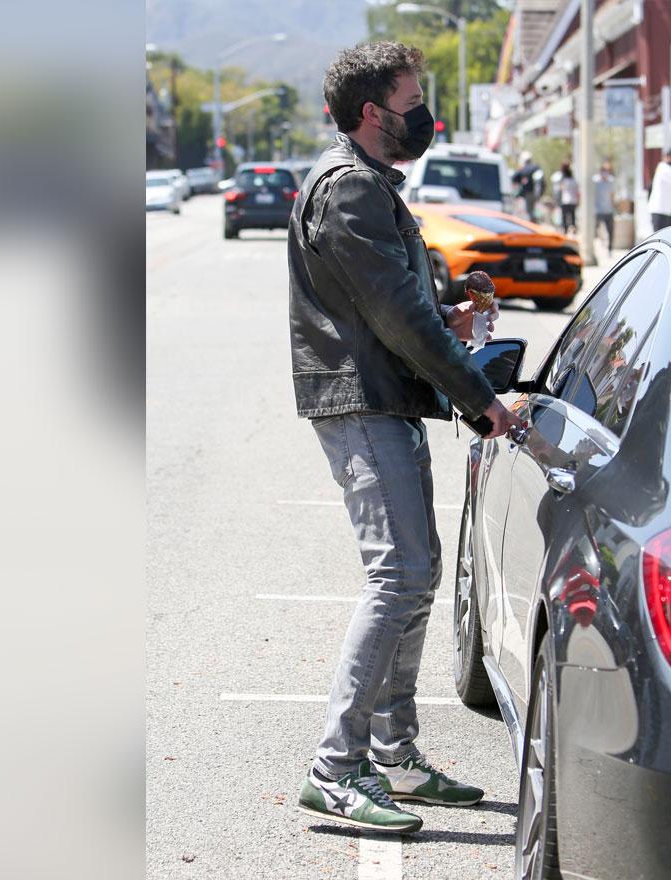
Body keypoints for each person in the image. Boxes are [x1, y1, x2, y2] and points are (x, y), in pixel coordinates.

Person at [287, 42, 527, 835]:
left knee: (415, 576)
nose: (424, 116)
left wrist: (450, 319)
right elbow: (394, 317)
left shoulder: (370, 190)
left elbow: (391, 303)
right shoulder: (351, 190)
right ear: (371, 112)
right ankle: (337, 767)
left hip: (385, 396)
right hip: (362, 403)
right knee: (400, 576)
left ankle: (395, 755)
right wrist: (481, 398)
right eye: (412, 101)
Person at [647, 148, 671, 232]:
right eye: (669, 156)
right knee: (659, 235)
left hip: (667, 210)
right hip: (659, 209)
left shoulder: (669, 169)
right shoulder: (663, 167)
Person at [593, 159, 617, 254]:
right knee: (595, 231)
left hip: (608, 210)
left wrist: (613, 206)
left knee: (610, 231)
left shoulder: (611, 181)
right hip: (597, 210)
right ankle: (597, 247)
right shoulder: (595, 181)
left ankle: (609, 249)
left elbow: (612, 195)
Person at [511, 150, 542, 221]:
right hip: (536, 193)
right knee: (532, 210)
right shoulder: (536, 167)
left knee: (528, 211)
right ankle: (533, 223)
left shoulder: (523, 169)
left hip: (527, 193)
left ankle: (532, 224)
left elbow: (514, 178)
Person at [552, 161, 579, 234]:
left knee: (565, 219)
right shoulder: (573, 180)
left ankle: (566, 232)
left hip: (565, 201)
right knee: (572, 218)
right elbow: (577, 191)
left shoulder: (563, 180)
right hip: (573, 201)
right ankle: (573, 232)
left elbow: (560, 190)